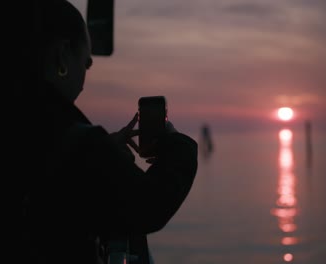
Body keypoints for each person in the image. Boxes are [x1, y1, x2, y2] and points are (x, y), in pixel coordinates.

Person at [16, 1, 198, 264]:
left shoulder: (5, 117)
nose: (84, 79)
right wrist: (176, 145)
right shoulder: (65, 136)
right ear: (62, 56)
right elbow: (147, 207)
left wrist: (103, 150)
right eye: (86, 63)